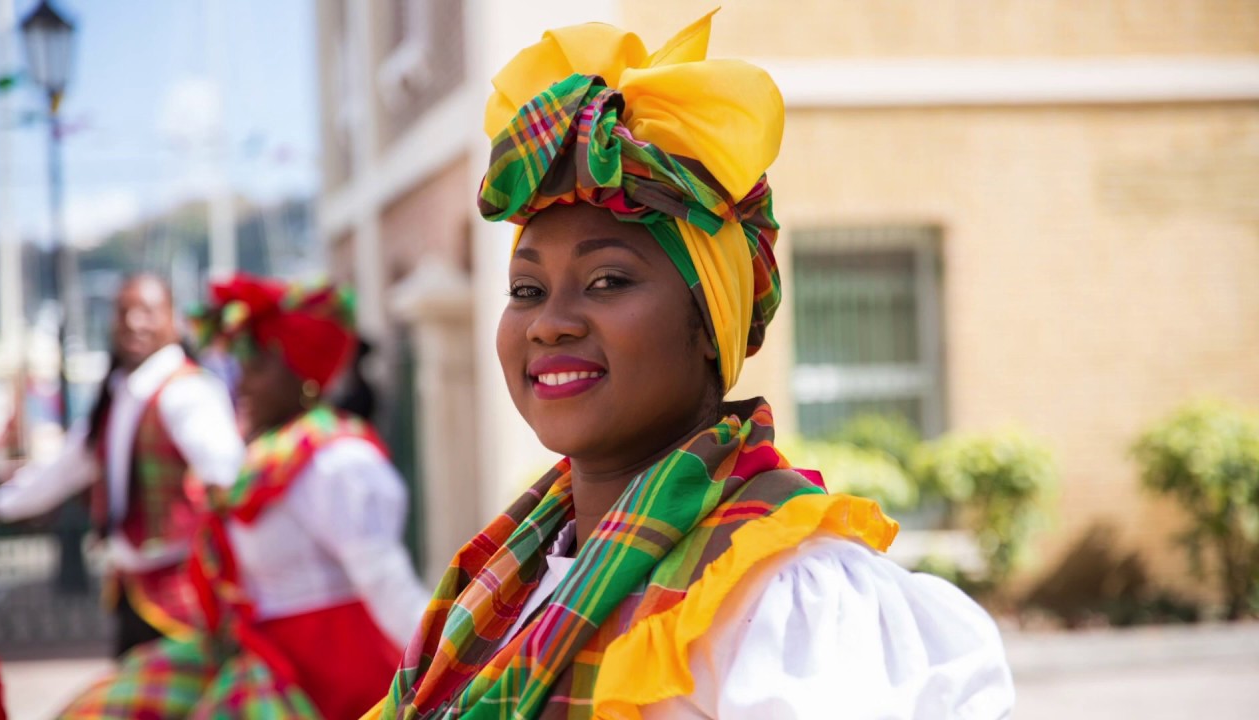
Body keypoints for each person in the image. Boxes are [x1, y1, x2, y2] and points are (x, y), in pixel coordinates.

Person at [365, 12, 1014, 720]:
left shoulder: (780, 597)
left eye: (609, 280)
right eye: (527, 290)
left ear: (707, 324)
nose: (550, 322)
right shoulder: (504, 582)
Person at [62, 273, 430, 720]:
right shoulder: (272, 454)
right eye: (239, 366)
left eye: (256, 367)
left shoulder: (338, 461)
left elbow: (387, 581)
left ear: (301, 375)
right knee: (102, 708)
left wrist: (451, 667)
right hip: (258, 656)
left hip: (323, 678)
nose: (240, 384)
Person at [0, 274, 244, 657]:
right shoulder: (120, 392)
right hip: (134, 590)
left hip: (184, 594)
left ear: (172, 320)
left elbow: (229, 480)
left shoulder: (187, 392)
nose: (134, 322)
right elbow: (64, 468)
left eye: (148, 311)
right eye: (124, 312)